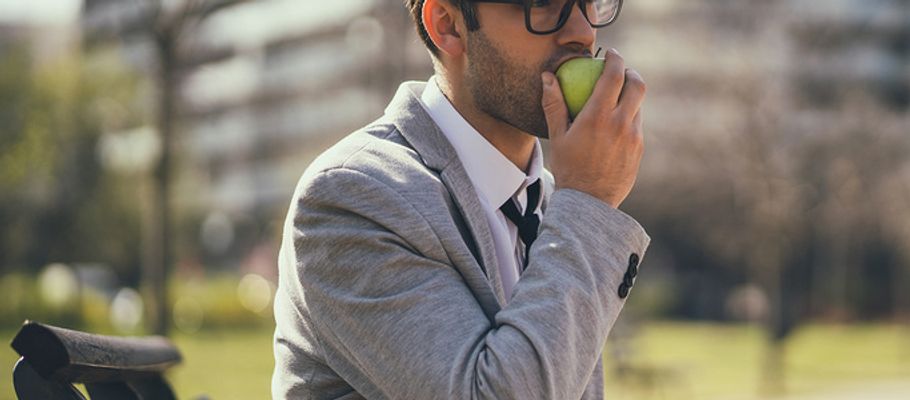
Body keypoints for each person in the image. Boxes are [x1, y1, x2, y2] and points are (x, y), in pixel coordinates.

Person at [271, 0, 649, 398]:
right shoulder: (353, 195)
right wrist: (589, 202)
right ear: (447, 24)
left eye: (591, 4)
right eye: (542, 4)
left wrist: (582, 203)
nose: (583, 32)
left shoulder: (556, 200)